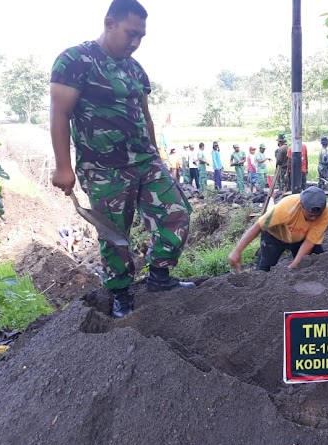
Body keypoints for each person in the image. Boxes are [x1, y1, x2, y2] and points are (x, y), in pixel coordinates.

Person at [49, 0, 194, 319]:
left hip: (145, 161)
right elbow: (60, 113)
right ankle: (120, 293)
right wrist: (63, 166)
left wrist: (156, 156)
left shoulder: (135, 69)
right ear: (109, 23)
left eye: (141, 36)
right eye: (130, 33)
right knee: (115, 233)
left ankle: (160, 277)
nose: (135, 42)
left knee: (177, 212)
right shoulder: (76, 60)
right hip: (103, 170)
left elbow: (145, 116)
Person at [228, 187, 328, 272]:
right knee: (263, 271)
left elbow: (310, 242)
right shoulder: (286, 208)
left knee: (318, 262)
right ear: (301, 206)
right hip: (275, 236)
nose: (313, 218)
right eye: (309, 215)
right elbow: (258, 226)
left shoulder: (326, 213)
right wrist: (237, 250)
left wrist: (292, 267)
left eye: (317, 216)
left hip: (301, 238)